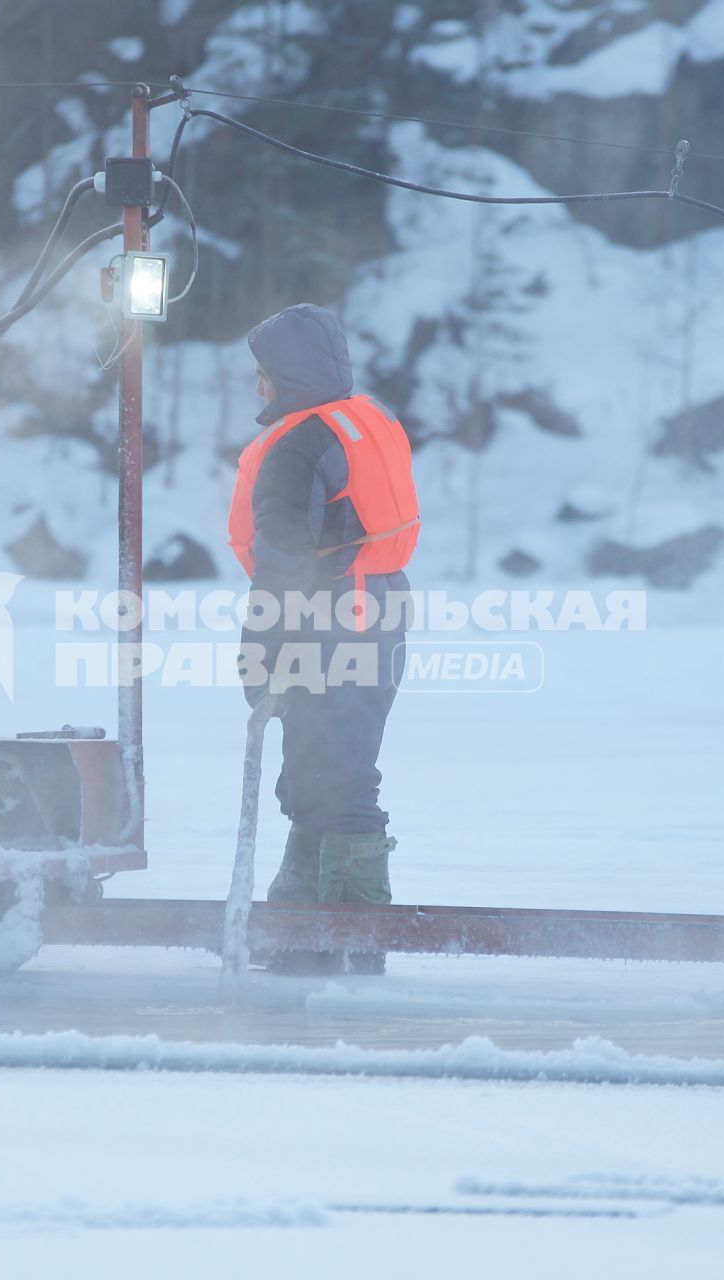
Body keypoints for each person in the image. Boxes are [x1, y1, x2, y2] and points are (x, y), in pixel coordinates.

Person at [227, 303, 420, 975]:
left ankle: (354, 950)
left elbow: (284, 566)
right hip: (381, 606)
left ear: (289, 375)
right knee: (322, 774)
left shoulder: (297, 445)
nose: (259, 389)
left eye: (263, 375)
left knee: (339, 784)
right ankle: (299, 937)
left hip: (332, 619)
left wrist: (260, 656)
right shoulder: (370, 420)